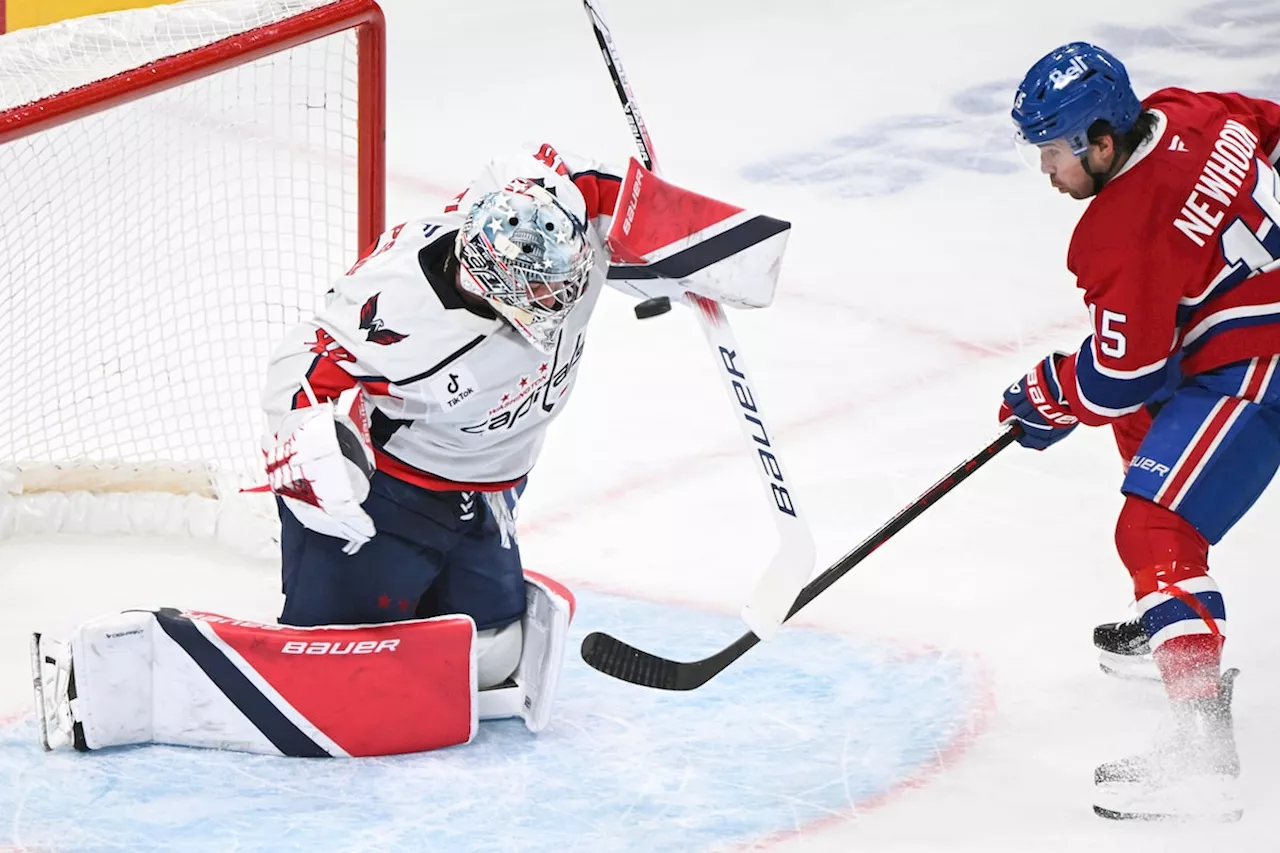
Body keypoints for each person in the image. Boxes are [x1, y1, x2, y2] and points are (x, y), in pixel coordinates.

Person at [30, 143, 790, 758]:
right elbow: (300, 378)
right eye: (537, 304)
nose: (555, 318)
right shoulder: (396, 314)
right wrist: (317, 453)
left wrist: (701, 248)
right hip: (391, 498)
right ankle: (138, 673)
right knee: (342, 662)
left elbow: (627, 204)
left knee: (489, 661)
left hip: (490, 491)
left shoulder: (559, 221)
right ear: (485, 277)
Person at [1001, 42, 1280, 820]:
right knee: (1142, 416)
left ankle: (1201, 757)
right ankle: (1173, 617)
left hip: (1260, 364)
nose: (1048, 171)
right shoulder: (1193, 111)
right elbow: (1273, 128)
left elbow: (1120, 371)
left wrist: (1048, 391)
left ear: (1099, 140)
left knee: (1153, 525)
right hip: (1249, 336)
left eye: (1054, 152)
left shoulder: (1115, 234)